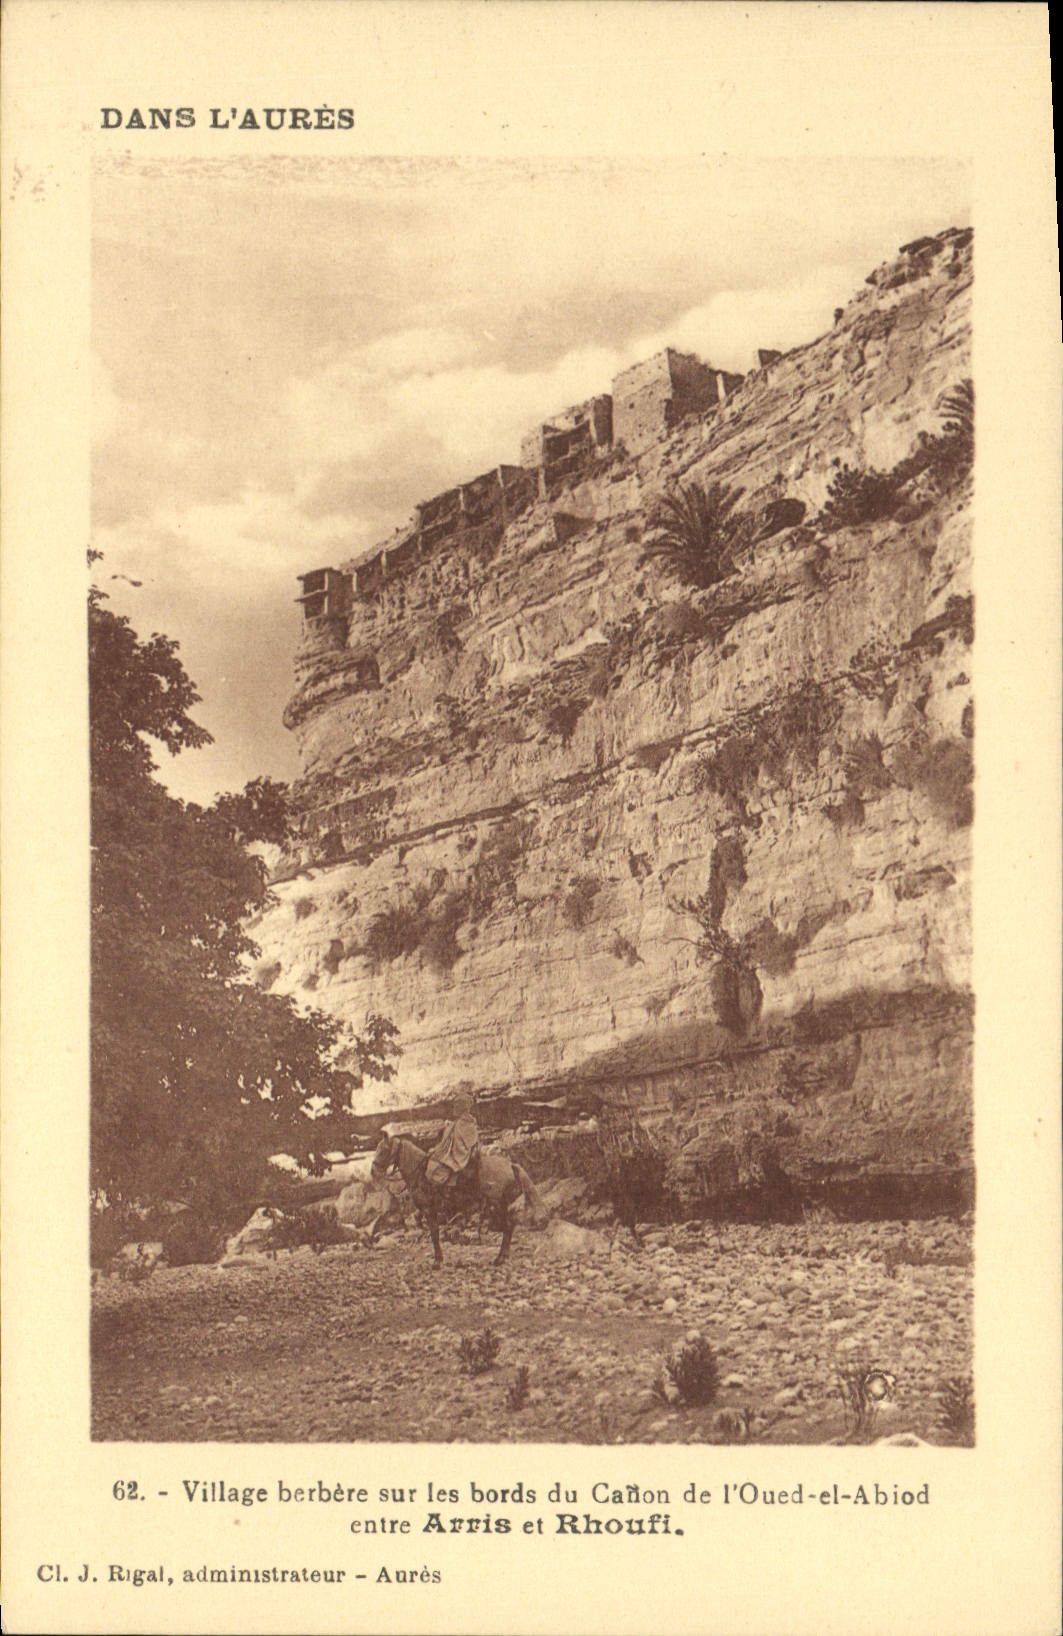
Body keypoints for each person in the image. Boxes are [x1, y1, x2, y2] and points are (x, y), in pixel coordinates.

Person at [425, 1091, 479, 1192]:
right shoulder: (463, 1122)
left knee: (436, 1169)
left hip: (460, 1156)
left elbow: (462, 1144)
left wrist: (441, 1150)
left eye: (456, 1106)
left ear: (461, 1108)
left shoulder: (462, 1124)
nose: (454, 1109)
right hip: (460, 1152)